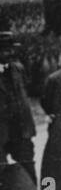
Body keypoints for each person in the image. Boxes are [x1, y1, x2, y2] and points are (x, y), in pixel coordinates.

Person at [0, 31, 36, 181]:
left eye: (10, 49)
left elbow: (26, 90)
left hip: (21, 129)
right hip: (1, 131)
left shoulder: (18, 69)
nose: (9, 53)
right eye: (4, 50)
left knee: (28, 169)